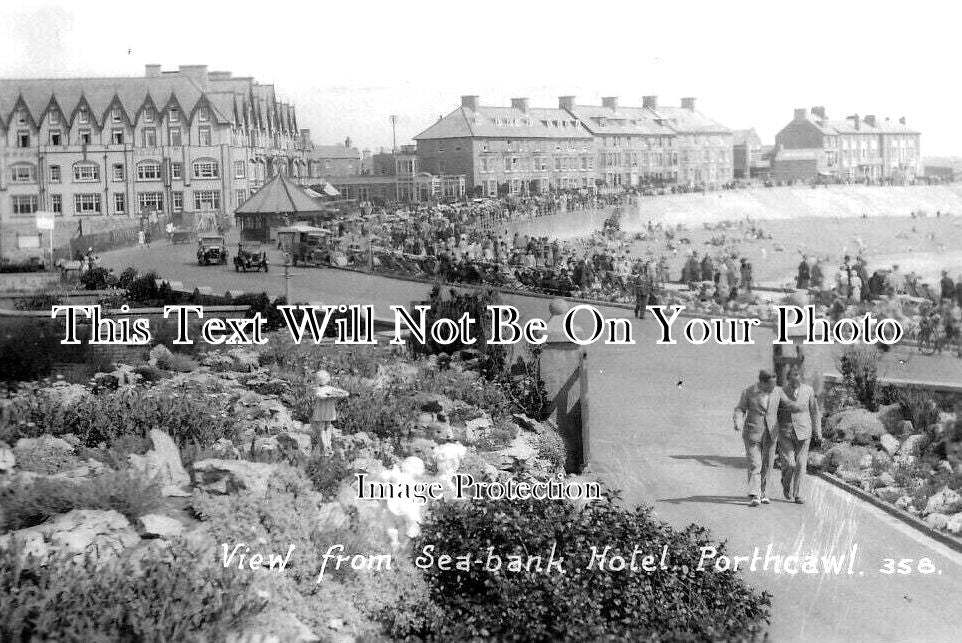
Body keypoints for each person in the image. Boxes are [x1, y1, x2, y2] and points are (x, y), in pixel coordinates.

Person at [733, 370, 804, 506]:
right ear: (762, 383)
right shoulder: (748, 392)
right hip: (752, 433)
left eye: (775, 383)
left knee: (767, 464)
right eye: (771, 384)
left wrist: (800, 408)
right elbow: (740, 409)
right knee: (756, 464)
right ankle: (755, 494)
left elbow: (788, 405)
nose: (774, 386)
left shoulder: (778, 392)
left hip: (771, 433)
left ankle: (763, 492)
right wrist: (738, 422)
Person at [777, 365, 821, 504]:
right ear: (788, 377)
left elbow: (815, 412)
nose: (796, 378)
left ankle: (798, 494)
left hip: (804, 432)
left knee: (801, 464)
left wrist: (817, 432)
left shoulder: (808, 390)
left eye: (799, 375)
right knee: (790, 464)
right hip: (786, 432)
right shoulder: (780, 391)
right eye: (793, 375)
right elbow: (773, 413)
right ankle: (785, 482)